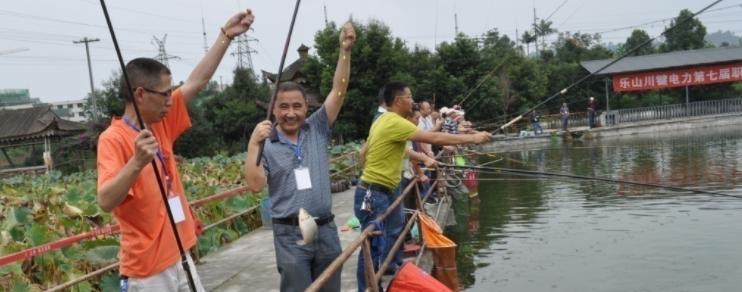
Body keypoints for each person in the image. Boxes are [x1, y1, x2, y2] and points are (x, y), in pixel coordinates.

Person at [96, 10, 254, 292]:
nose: (172, 99)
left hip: (180, 253)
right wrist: (136, 163)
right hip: (147, 271)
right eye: (165, 93)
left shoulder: (161, 121)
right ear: (141, 94)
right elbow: (106, 200)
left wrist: (226, 36)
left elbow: (197, 82)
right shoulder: (113, 139)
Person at [244, 21, 356, 292]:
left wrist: (345, 51)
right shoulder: (266, 142)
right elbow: (256, 184)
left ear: (307, 107)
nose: (290, 113)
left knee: (331, 287)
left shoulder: (317, 127)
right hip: (289, 232)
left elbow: (338, 91)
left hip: (325, 228)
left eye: (297, 106)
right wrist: (252, 145)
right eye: (283, 107)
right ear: (273, 110)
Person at [354, 81, 492, 291]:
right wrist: (473, 137)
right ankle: (368, 287)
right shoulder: (392, 121)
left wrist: (424, 158)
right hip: (375, 192)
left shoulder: (385, 120)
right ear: (399, 100)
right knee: (372, 244)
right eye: (410, 97)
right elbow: (433, 136)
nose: (413, 101)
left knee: (394, 231)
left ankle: (389, 267)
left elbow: (375, 150)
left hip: (385, 190)